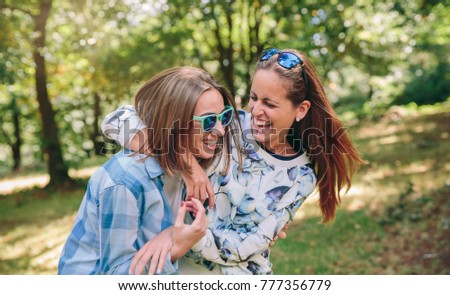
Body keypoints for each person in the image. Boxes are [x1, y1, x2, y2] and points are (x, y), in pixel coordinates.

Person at [102, 48, 362, 275]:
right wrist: (186, 162)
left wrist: (178, 235)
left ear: (301, 110)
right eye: (254, 98)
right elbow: (116, 121)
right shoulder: (229, 123)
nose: (256, 111)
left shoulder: (299, 177)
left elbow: (241, 247)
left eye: (269, 104)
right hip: (179, 272)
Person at [58, 66, 242, 275]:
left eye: (224, 117)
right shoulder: (126, 181)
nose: (220, 130)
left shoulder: (201, 156)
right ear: (175, 123)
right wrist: (176, 247)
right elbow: (116, 274)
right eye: (208, 121)